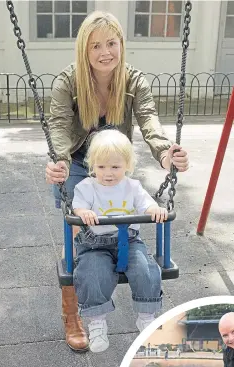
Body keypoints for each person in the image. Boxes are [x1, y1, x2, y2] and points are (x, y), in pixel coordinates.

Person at [45, 10, 189, 352]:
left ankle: (140, 310)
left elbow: (150, 121)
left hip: (111, 162)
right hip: (78, 163)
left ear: (121, 44)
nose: (105, 52)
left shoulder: (134, 81)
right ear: (84, 49)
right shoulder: (68, 82)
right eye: (96, 45)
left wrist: (167, 153)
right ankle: (74, 313)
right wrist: (59, 162)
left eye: (111, 43)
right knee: (79, 236)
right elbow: (60, 126)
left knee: (122, 217)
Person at [72, 129, 167, 353]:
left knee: (146, 269)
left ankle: (146, 317)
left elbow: (147, 204)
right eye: (101, 167)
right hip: (95, 244)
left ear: (127, 165)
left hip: (130, 242)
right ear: (92, 165)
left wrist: (155, 209)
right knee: (91, 273)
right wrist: (83, 212)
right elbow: (79, 205)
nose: (108, 173)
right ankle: (97, 322)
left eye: (115, 167)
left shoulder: (133, 187)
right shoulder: (85, 187)